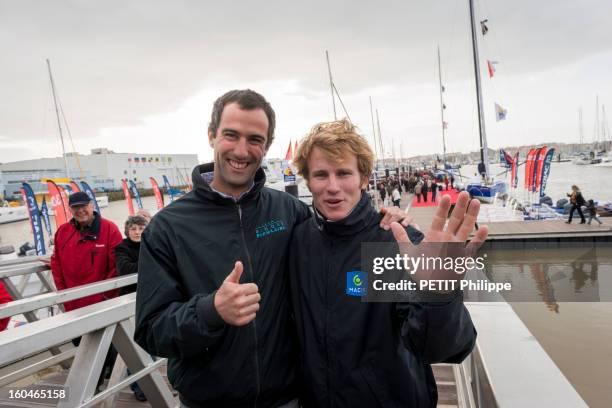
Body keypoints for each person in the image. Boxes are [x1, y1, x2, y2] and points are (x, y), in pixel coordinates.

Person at [133, 90, 409, 408]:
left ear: (266, 145)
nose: (241, 150)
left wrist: (382, 223)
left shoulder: (290, 212)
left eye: (254, 139)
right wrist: (211, 312)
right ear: (211, 136)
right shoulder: (168, 227)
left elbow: (340, 240)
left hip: (288, 398)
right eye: (231, 135)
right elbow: (150, 330)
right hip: (208, 401)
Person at [290, 119, 484, 407]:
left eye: (344, 173)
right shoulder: (299, 241)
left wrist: (438, 294)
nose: (333, 187)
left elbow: (444, 350)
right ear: (308, 180)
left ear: (364, 178)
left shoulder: (397, 241)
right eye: (321, 175)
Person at [50, 191, 123, 388]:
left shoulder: (109, 229)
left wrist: (105, 295)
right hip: (73, 303)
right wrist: (63, 294)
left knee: (105, 344)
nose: (81, 210)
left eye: (84, 206)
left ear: (92, 206)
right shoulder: (63, 232)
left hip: (101, 302)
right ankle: (98, 378)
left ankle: (97, 384)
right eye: (76, 207)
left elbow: (117, 265)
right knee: (80, 343)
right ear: (70, 209)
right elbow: (56, 263)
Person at [115, 215, 149, 402]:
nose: (137, 232)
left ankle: (152, 380)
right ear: (127, 231)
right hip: (130, 301)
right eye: (133, 229)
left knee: (152, 343)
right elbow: (125, 269)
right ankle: (139, 387)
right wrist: (151, 264)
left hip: (152, 298)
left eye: (141, 228)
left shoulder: (153, 242)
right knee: (136, 346)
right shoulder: (122, 248)